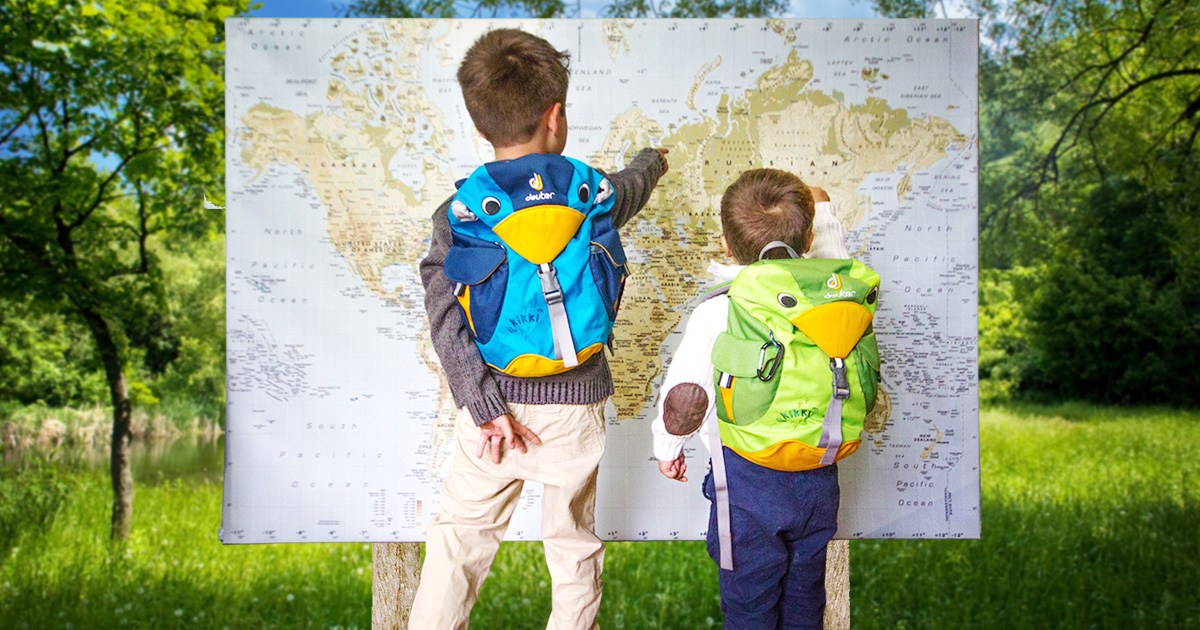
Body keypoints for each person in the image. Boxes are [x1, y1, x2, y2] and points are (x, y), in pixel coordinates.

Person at [412, 27, 668, 630]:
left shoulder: (461, 214)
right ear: (556, 117)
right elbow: (631, 189)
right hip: (575, 405)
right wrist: (651, 162)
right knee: (572, 545)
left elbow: (443, 311)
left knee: (457, 546)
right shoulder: (593, 194)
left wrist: (481, 402)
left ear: (481, 130)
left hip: (494, 410)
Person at [650, 169, 853, 630]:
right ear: (806, 243)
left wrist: (667, 449)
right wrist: (819, 210)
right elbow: (834, 254)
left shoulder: (719, 309)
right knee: (806, 602)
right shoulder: (834, 297)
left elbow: (686, 397)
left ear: (725, 242)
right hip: (817, 473)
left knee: (749, 607)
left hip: (744, 486)